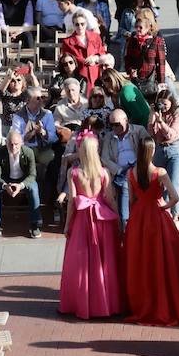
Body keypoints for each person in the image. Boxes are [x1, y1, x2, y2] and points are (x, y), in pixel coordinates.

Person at [125, 135, 179, 325]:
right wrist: (164, 206)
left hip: (139, 218)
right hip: (157, 216)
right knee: (163, 260)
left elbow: (131, 201)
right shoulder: (160, 172)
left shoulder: (131, 173)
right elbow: (175, 198)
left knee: (142, 262)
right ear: (152, 151)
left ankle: (144, 303)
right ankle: (166, 301)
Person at [60, 135, 126, 319]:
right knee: (104, 263)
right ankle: (105, 303)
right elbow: (110, 198)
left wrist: (67, 225)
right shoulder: (104, 172)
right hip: (102, 220)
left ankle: (82, 303)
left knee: (81, 264)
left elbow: (72, 202)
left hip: (82, 220)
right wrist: (118, 219)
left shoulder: (74, 173)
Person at [0, 127, 41, 241]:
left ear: (21, 142)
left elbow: (32, 175)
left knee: (34, 189)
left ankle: (34, 223)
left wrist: (21, 185)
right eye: (11, 144)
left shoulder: (28, 152)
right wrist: (4, 185)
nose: (14, 147)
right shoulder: (0, 152)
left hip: (23, 179)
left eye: (16, 144)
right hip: (6, 179)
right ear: (6, 143)